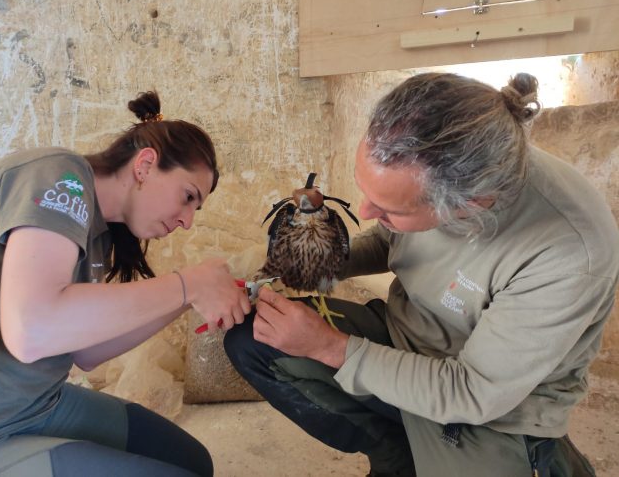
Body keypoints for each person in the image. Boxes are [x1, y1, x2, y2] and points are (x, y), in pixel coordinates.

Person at [225, 72, 619, 477]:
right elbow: (393, 237)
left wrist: (328, 346)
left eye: (389, 208)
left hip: (489, 406)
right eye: (368, 194)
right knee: (254, 339)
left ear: (468, 206)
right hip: (406, 337)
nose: (365, 213)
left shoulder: (568, 251)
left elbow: (472, 390)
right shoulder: (439, 164)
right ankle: (397, 450)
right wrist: (322, 262)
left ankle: (539, 460)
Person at [0, 90, 251, 476]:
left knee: (195, 462)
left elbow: (88, 352)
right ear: (145, 165)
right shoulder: (58, 176)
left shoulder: (101, 232)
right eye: (188, 197)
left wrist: (188, 298)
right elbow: (32, 331)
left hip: (34, 402)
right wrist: (187, 283)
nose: (187, 221)